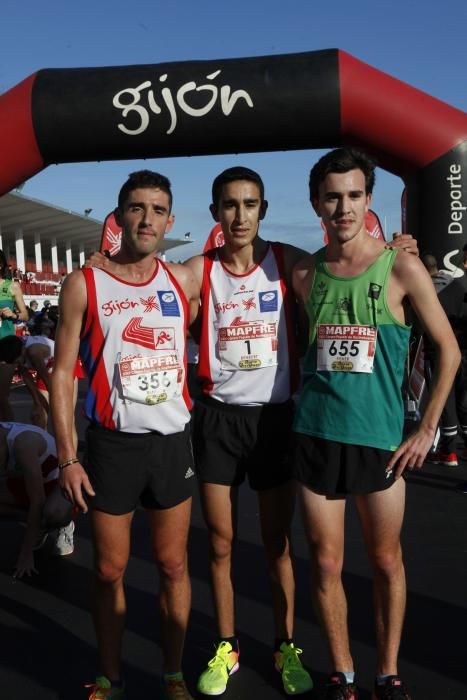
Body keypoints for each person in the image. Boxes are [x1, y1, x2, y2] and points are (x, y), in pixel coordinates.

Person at [291, 147, 460, 700]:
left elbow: (449, 352)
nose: (343, 207)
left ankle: (388, 673)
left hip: (382, 441)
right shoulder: (303, 272)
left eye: (355, 195)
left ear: (369, 199)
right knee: (326, 563)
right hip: (316, 436)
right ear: (316, 202)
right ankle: (343, 672)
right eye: (332, 196)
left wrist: (426, 429)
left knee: (387, 561)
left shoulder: (401, 265)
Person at [50, 170, 199, 700]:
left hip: (171, 445)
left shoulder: (183, 279)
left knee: (173, 564)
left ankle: (174, 673)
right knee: (110, 569)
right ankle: (110, 674)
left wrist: (395, 245)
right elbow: (62, 373)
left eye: (158, 210)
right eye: (137, 208)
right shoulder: (84, 283)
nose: (147, 219)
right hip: (113, 447)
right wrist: (68, 457)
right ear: (119, 216)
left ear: (170, 220)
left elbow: (250, 265)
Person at [183, 166, 314, 697]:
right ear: (215, 212)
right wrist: (105, 261)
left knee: (278, 544)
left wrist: (394, 250)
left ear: (263, 209)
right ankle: (227, 646)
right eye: (230, 205)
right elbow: (142, 278)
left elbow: (353, 263)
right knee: (219, 543)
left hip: (273, 420)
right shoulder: (197, 269)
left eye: (250, 204)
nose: (240, 215)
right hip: (217, 420)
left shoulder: (289, 263)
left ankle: (286, 646)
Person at [0, 421, 74, 578]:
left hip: (57, 485)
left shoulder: (23, 444)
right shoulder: (3, 437)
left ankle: (65, 524)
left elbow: (37, 500)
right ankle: (38, 525)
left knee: (53, 513)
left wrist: (25, 555)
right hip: (27, 481)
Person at [421, 253, 467, 466]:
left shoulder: (424, 293)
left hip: (438, 353)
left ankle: (449, 451)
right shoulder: (456, 286)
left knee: (444, 399)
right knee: (462, 401)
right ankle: (455, 449)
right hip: (462, 351)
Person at [0, 249, 28, 420]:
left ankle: (10, 432)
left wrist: (13, 315)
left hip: (5, 346)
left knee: (2, 397)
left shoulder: (12, 286)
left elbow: (25, 315)